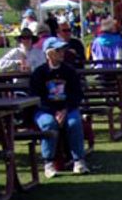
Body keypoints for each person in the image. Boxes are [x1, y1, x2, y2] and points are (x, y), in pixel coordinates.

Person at [29, 36, 89, 179]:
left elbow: (76, 94)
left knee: (74, 123)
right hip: (45, 110)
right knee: (49, 124)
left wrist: (65, 109)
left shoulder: (69, 71)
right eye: (58, 50)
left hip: (67, 108)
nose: (62, 53)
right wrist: (54, 111)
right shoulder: (39, 73)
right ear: (49, 53)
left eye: (63, 50)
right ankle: (48, 163)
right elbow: (36, 97)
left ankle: (78, 160)